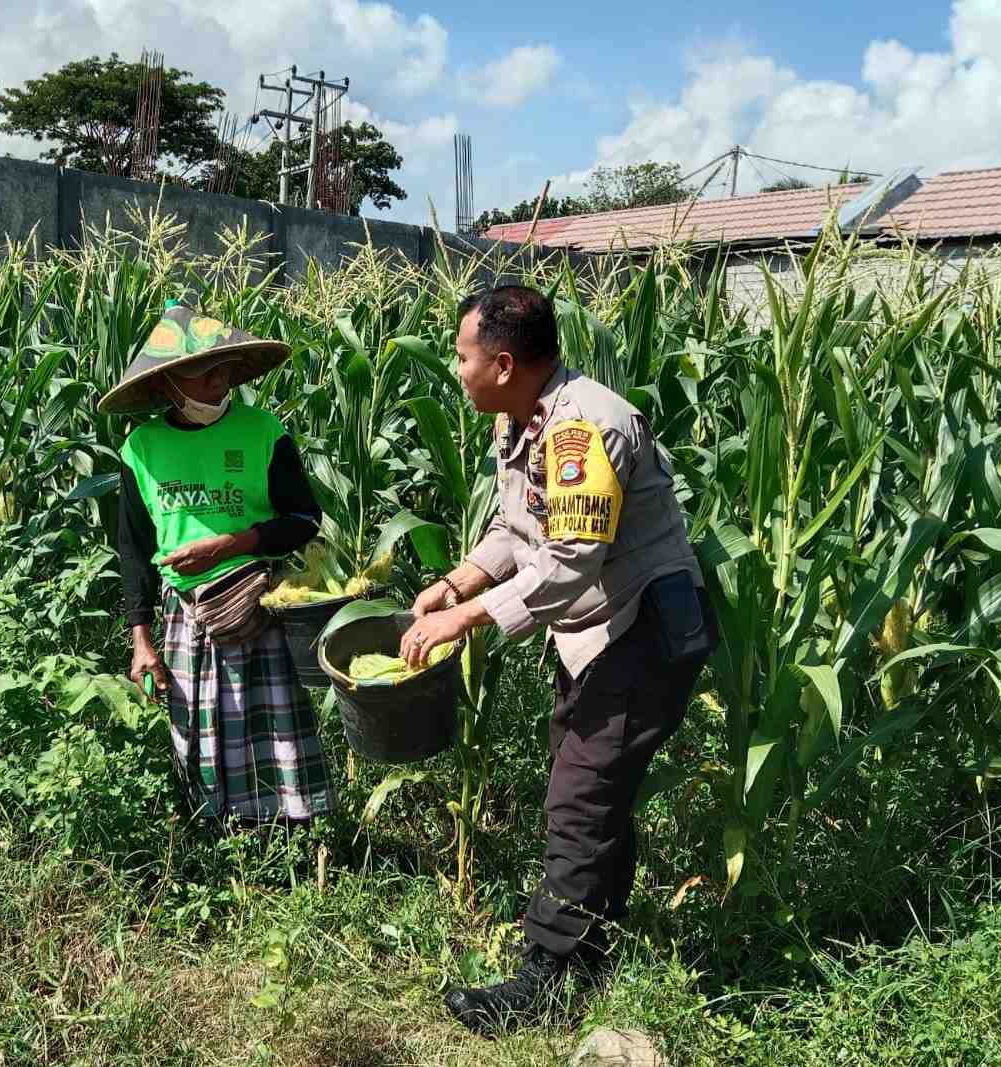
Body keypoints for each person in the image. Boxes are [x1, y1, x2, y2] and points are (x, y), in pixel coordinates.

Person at [397, 285, 718, 1035]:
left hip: (641, 632)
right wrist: (454, 581)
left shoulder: (583, 431)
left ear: (503, 363)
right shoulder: (525, 418)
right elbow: (516, 528)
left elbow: (572, 560)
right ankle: (596, 943)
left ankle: (547, 979)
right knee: (590, 789)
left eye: (463, 355)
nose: (457, 368)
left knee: (580, 795)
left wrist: (467, 618)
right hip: (598, 633)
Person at [103, 301, 335, 828]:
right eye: (202, 371)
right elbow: (134, 550)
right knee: (201, 727)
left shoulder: (263, 431)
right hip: (186, 613)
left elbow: (303, 518)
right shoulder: (142, 448)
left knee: (272, 730)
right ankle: (216, 838)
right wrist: (141, 641)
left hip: (255, 600)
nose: (219, 379)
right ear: (166, 384)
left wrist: (230, 544)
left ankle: (288, 832)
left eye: (224, 368)